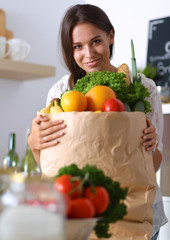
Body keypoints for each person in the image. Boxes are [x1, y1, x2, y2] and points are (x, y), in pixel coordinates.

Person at [28, 4, 167, 239]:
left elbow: (153, 166)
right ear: (70, 50)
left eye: (96, 41)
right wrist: (34, 142)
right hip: (82, 213)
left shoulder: (144, 88)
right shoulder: (61, 92)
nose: (89, 54)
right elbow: (52, 166)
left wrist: (150, 145)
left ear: (110, 36)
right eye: (78, 46)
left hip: (137, 214)